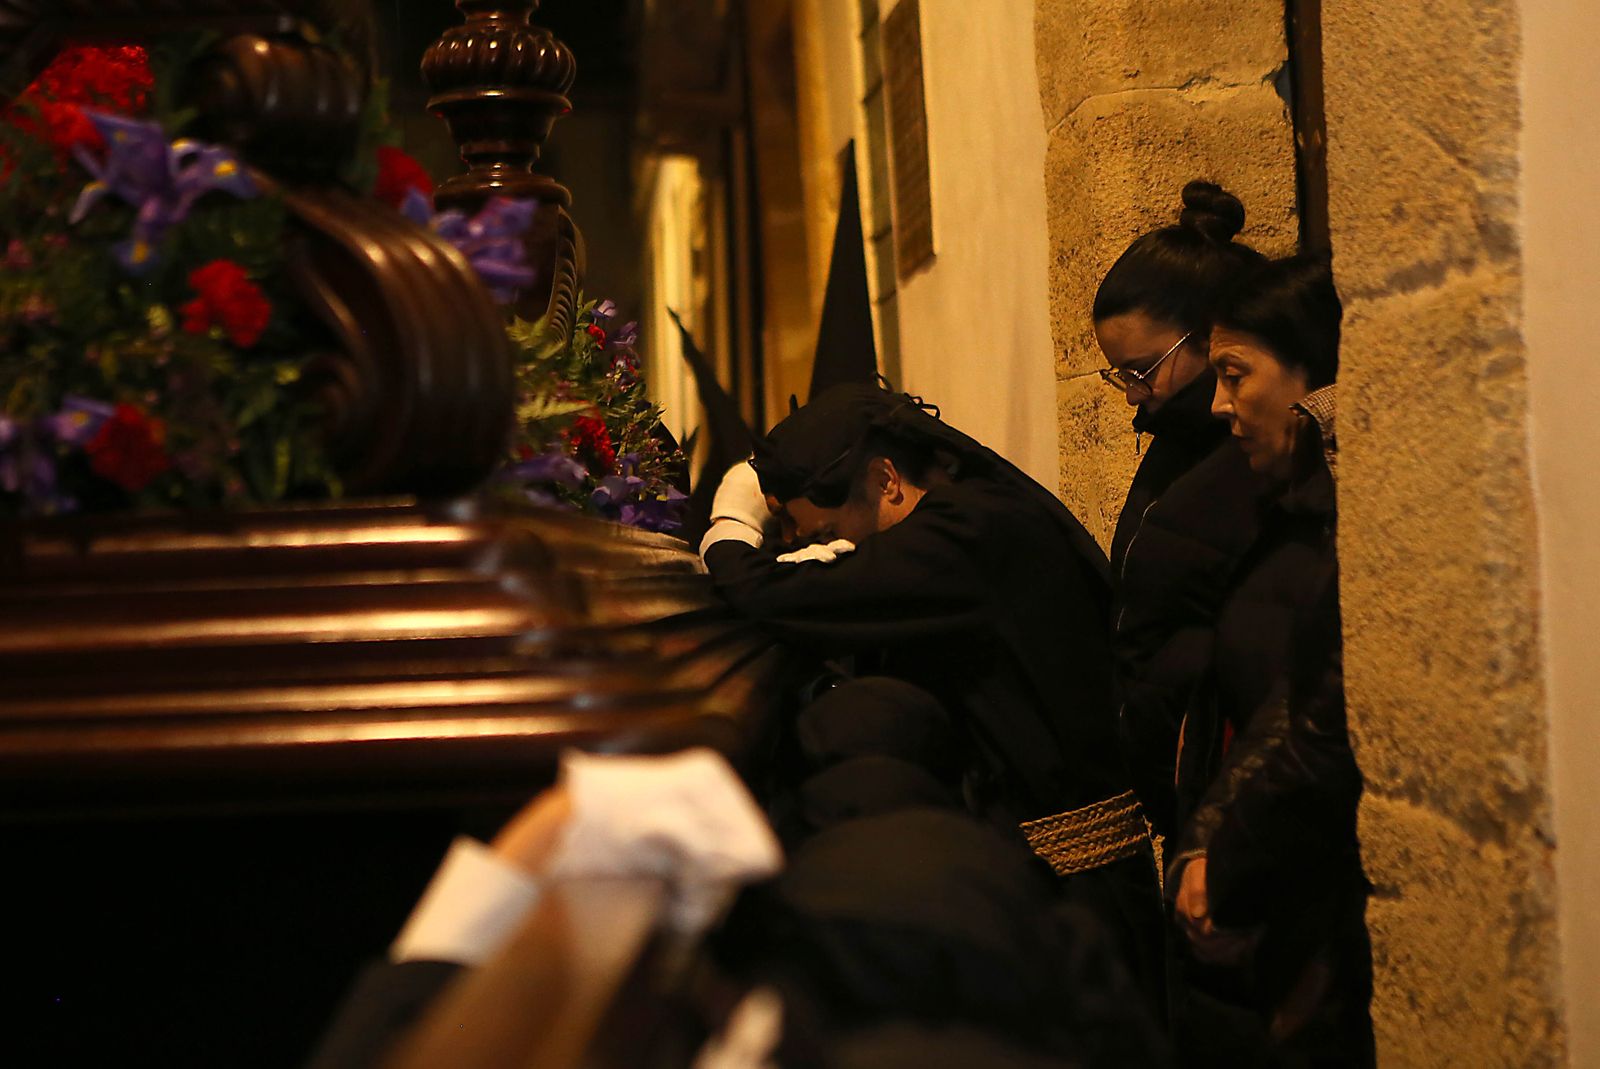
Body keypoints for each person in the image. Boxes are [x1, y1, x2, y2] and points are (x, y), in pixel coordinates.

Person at [697, 383, 1165, 1009]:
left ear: (886, 480)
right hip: (1045, 874)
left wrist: (729, 526)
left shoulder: (967, 533)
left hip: (1081, 887)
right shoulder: (968, 520)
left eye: (830, 529)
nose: (840, 548)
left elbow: (769, 597)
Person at [1167, 255, 1374, 1066]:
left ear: (1311, 370)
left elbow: (1314, 721)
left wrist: (1223, 860)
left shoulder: (1338, 522)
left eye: (1233, 374)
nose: (1220, 405)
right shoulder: (1273, 507)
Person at [1089, 180, 1267, 841]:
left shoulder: (1253, 455)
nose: (1134, 395)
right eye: (1121, 375)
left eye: (1144, 369)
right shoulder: (1177, 444)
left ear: (1211, 338)